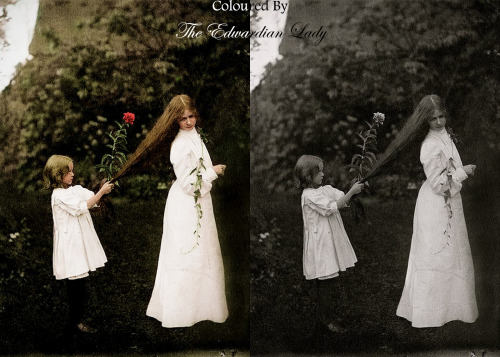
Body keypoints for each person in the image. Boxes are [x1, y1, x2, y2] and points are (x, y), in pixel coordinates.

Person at [146, 94, 228, 327]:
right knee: (187, 252)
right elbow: (189, 183)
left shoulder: (195, 135)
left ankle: (203, 308)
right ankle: (180, 312)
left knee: (204, 252)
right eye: (183, 119)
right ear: (175, 121)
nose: (189, 122)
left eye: (191, 116)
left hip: (200, 202)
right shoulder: (179, 145)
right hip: (186, 204)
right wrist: (214, 171)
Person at [396, 94, 478, 327]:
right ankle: (430, 312)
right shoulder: (429, 146)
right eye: (433, 119)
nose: (439, 122)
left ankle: (454, 308)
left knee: (454, 252)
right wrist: (464, 172)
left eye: (442, 116)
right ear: (425, 121)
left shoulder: (445, 135)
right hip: (436, 203)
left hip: (451, 202)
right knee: (437, 251)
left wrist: (459, 171)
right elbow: (439, 184)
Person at [43, 154, 114, 333]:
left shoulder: (74, 190)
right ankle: (75, 321)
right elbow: (83, 206)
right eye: (69, 171)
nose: (73, 174)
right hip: (70, 245)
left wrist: (102, 190)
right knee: (75, 283)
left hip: (78, 242)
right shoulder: (58, 195)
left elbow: (92, 199)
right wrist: (101, 193)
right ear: (58, 175)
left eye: (72, 170)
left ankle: (76, 319)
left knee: (80, 282)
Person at [294, 154, 363, 333]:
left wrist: (352, 193)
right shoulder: (309, 196)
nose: (323, 174)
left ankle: (327, 317)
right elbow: (333, 207)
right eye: (319, 172)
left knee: (327, 281)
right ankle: (327, 320)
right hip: (319, 245)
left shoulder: (325, 190)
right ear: (309, 176)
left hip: (326, 242)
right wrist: (351, 193)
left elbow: (340, 198)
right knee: (324, 282)